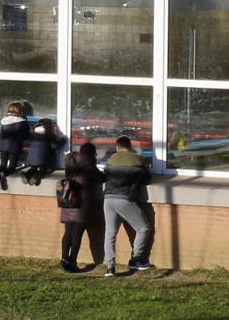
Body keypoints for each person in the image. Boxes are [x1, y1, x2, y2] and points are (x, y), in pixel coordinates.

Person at [102, 135, 153, 276]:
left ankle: (110, 267)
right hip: (125, 198)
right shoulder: (137, 158)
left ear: (117, 147)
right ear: (130, 146)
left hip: (108, 198)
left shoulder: (111, 159)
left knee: (110, 233)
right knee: (143, 228)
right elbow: (146, 178)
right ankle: (136, 259)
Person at [58, 142, 105, 272]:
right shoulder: (90, 166)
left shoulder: (71, 163)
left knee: (68, 232)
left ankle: (64, 259)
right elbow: (102, 178)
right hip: (81, 203)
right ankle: (72, 261)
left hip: (68, 201)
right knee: (77, 234)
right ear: (92, 154)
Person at [0, 100, 31, 190]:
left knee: (2, 165)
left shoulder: (3, 120)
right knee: (12, 167)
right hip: (14, 146)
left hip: (3, 146)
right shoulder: (22, 121)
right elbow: (26, 135)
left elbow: (2, 133)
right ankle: (2, 176)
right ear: (19, 110)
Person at [20, 117, 67, 186]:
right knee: (43, 169)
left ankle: (27, 174)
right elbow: (55, 146)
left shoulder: (33, 134)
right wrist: (63, 139)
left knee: (33, 168)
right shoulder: (49, 135)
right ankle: (37, 176)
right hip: (43, 159)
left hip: (31, 158)